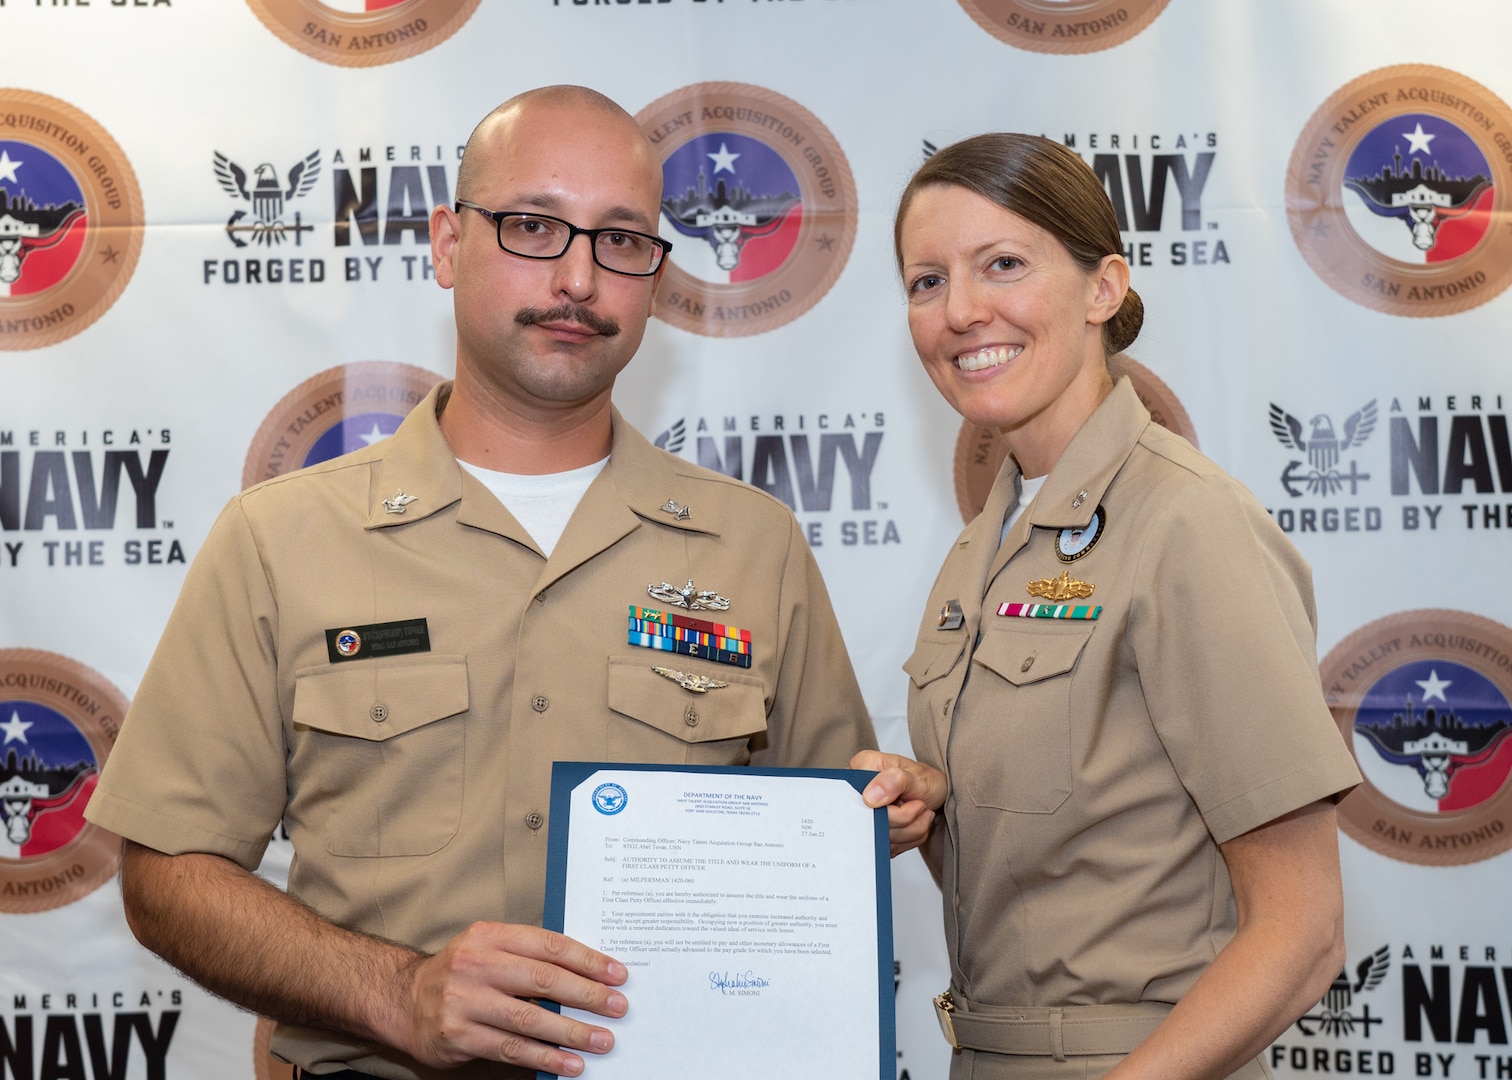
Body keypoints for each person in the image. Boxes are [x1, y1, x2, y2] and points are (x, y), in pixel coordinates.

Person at [86, 86, 940, 1080]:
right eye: (534, 226)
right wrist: (397, 993)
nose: (579, 277)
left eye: (621, 241)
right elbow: (167, 875)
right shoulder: (281, 541)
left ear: (656, 276)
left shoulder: (754, 546)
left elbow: (814, 854)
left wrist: (880, 814)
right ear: (450, 244)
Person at [887, 133, 1361, 1080]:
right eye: (926, 281)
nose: (961, 311)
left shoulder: (1188, 522)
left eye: (1004, 265)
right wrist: (931, 810)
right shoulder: (987, 544)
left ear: (1103, 288)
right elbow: (1045, 876)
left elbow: (1303, 932)